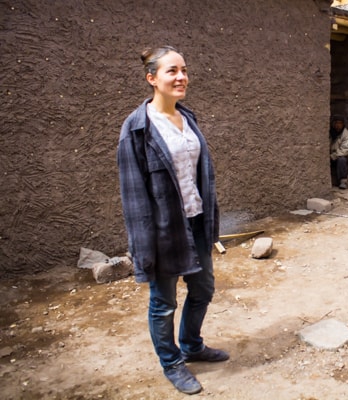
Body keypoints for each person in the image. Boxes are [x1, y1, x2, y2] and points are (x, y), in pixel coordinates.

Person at [117, 46, 229, 395]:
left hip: (195, 221)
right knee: (163, 303)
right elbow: (133, 195)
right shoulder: (136, 129)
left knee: (203, 289)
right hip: (163, 230)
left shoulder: (188, 118)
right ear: (152, 79)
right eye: (171, 71)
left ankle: (192, 345)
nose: (181, 77)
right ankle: (172, 362)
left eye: (183, 69)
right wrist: (142, 246)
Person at [329, 115, 348, 189]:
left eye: (340, 123)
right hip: (330, 155)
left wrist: (333, 156)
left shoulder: (346, 135)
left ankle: (343, 181)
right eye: (336, 123)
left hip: (339, 156)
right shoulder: (330, 133)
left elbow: (345, 150)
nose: (338, 125)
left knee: (341, 159)